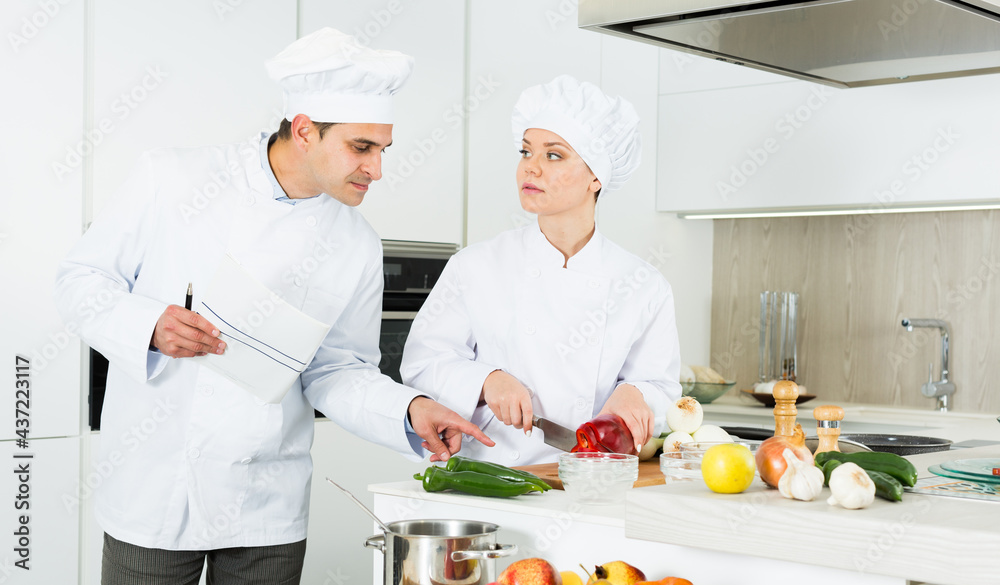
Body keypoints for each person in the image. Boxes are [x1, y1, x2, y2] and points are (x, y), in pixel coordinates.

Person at [54, 28, 492, 585]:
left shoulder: (356, 242)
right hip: (157, 488)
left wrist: (409, 410)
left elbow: (337, 371)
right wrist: (149, 327)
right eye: (362, 147)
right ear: (305, 130)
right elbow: (79, 280)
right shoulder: (172, 178)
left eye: (383, 150)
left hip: (265, 502)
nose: (377, 170)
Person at [400, 75, 682, 466]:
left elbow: (662, 388)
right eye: (525, 152)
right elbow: (422, 364)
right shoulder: (476, 266)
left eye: (553, 156)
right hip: (491, 475)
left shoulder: (643, 285)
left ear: (596, 176)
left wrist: (637, 393)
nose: (529, 168)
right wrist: (486, 380)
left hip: (593, 477)